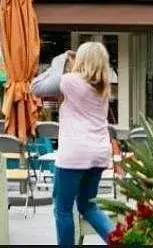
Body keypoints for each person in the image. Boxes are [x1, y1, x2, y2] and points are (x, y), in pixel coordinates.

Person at [31, 42, 116, 247]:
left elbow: (36, 88)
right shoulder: (103, 87)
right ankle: (119, 241)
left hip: (74, 154)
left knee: (62, 208)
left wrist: (58, 61)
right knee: (88, 206)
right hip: (99, 153)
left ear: (82, 60)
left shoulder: (71, 81)